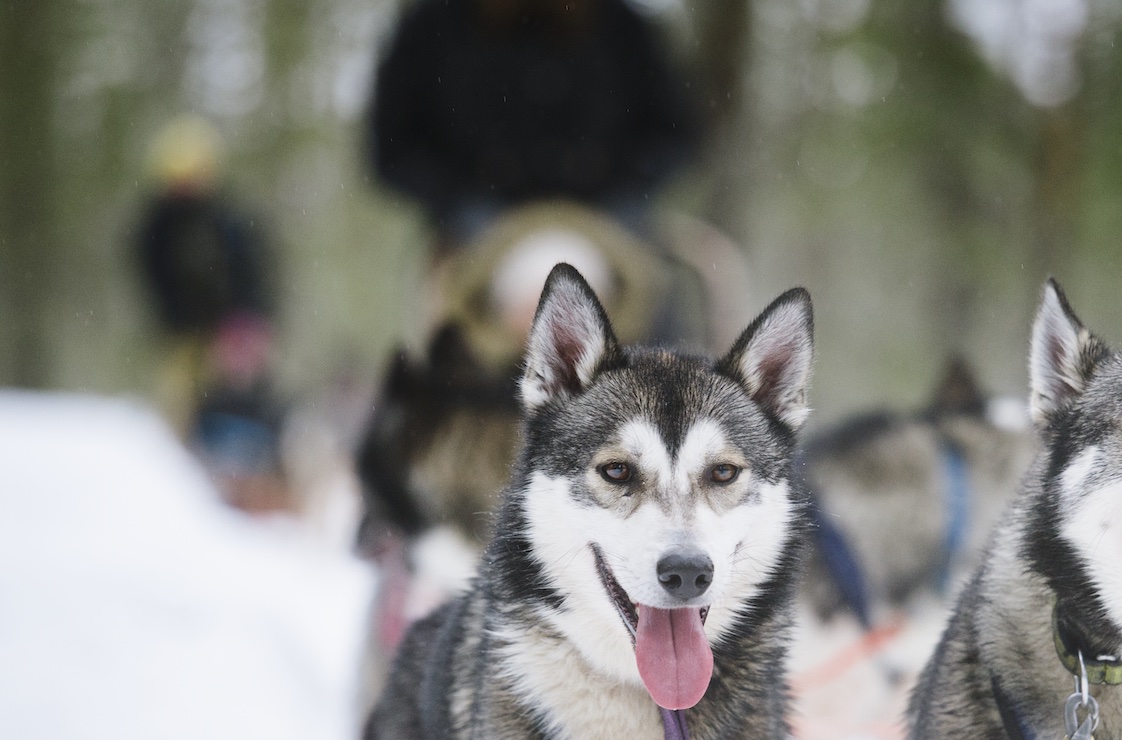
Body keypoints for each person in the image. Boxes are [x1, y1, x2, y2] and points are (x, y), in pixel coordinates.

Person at [367, 0, 703, 250]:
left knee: (653, 303)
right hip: (473, 231)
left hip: (607, 222)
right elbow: (393, 149)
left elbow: (673, 136)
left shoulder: (624, 29)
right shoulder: (429, 28)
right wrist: (459, 202)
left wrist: (620, 199)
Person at [134, 116, 288, 511]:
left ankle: (253, 493)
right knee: (181, 415)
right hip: (184, 338)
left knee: (245, 409)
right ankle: (182, 497)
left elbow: (254, 274)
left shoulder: (228, 221)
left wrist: (246, 326)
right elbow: (155, 282)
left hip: (232, 332)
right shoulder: (156, 228)